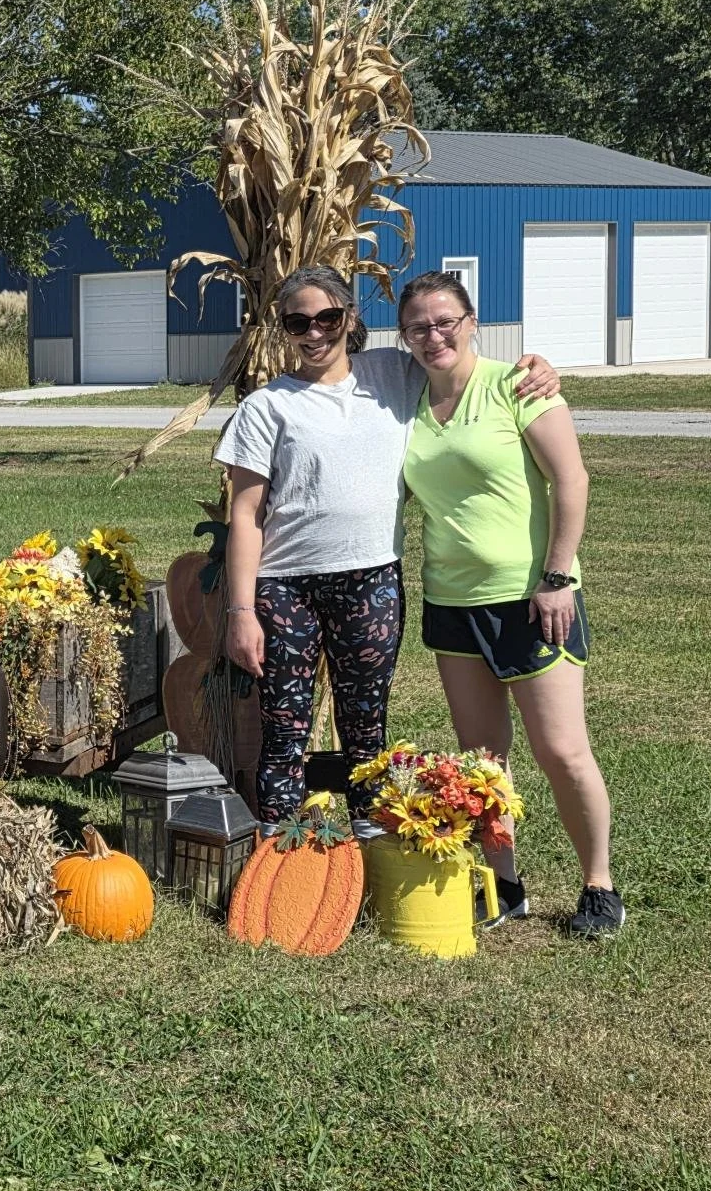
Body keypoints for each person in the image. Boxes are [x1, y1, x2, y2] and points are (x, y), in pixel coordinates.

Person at [216, 265, 558, 840]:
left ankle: (370, 842)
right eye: (298, 321)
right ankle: (279, 848)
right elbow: (246, 516)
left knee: (366, 724)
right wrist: (241, 612)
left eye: (327, 317)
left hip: (370, 580)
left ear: (350, 319)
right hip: (285, 588)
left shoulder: (396, 373)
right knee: (284, 724)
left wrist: (538, 365)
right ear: (283, 328)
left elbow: (458, 361)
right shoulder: (267, 406)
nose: (314, 332)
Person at [398, 270, 621, 937]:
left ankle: (600, 887)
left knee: (562, 750)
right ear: (403, 335)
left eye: (446, 321)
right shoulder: (406, 399)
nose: (434, 334)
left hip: (531, 599)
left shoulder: (517, 385)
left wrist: (556, 578)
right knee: (482, 758)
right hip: (451, 602)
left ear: (472, 321)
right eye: (418, 325)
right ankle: (504, 885)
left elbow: (572, 479)